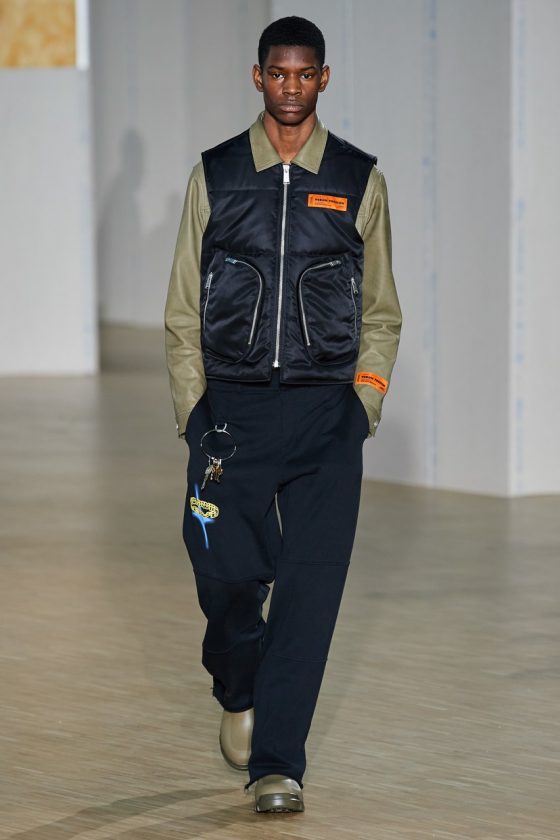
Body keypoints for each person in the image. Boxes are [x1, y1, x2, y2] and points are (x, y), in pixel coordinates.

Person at [164, 15, 402, 814]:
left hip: (325, 418)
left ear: (323, 78)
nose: (291, 87)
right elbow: (182, 308)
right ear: (258, 76)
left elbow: (381, 311)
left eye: (305, 74)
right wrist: (194, 410)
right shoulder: (218, 174)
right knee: (223, 571)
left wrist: (362, 404)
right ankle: (239, 684)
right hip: (230, 417)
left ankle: (277, 765)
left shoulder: (360, 178)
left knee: (309, 594)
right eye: (278, 73)